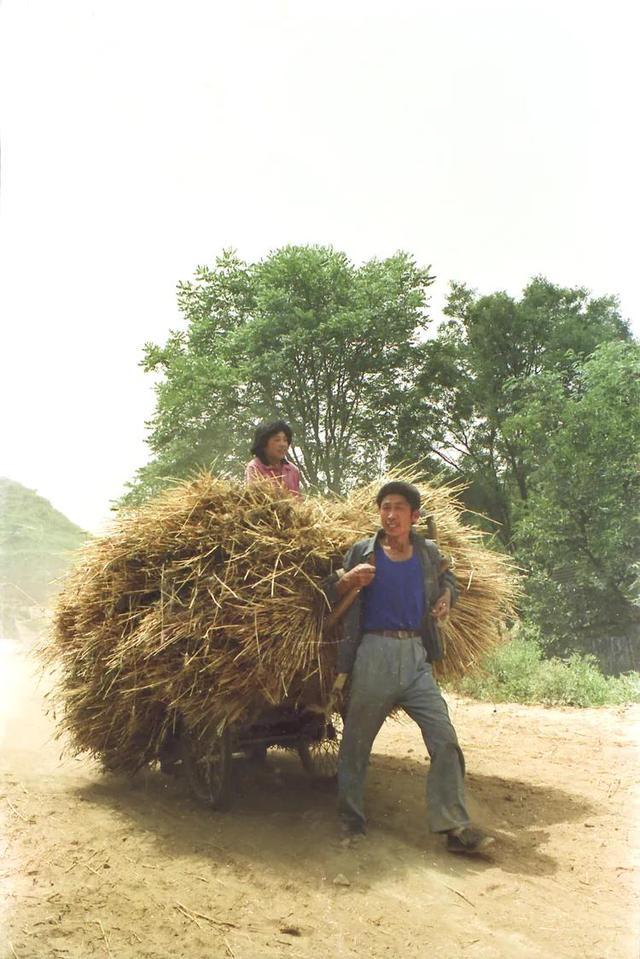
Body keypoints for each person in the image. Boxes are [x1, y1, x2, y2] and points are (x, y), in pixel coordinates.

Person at [325, 481, 492, 855]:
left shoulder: (427, 553)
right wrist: (349, 579)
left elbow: (448, 580)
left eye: (399, 507)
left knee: (444, 737)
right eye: (385, 507)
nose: (391, 514)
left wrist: (446, 597)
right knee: (356, 743)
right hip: (373, 654)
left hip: (416, 655)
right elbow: (327, 590)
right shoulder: (363, 551)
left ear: (414, 516)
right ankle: (350, 821)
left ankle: (454, 826)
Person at [244, 419, 301, 496]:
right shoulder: (255, 467)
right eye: (277, 440)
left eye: (285, 440)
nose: (283, 444)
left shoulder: (293, 470)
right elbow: (254, 500)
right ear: (263, 443)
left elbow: (298, 501)